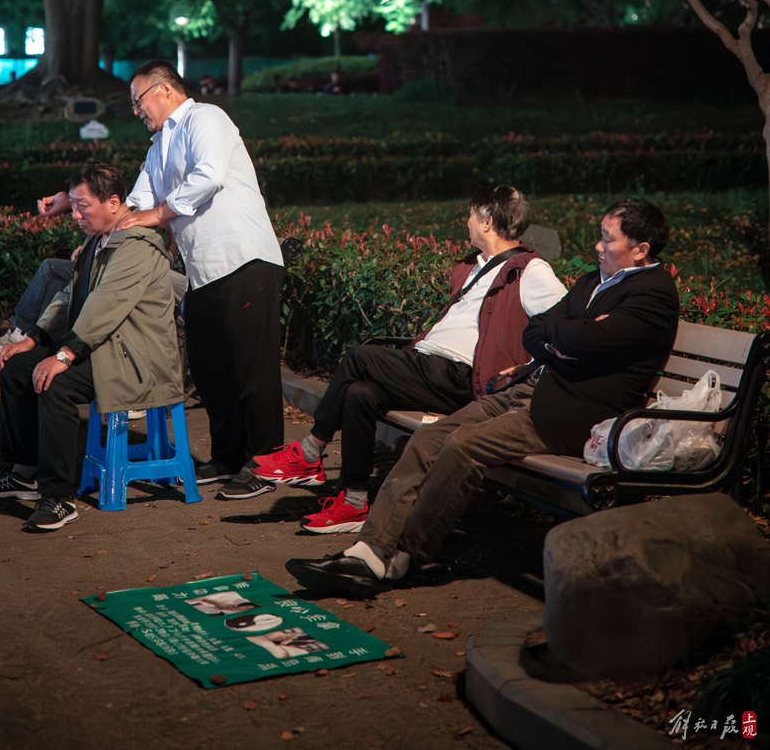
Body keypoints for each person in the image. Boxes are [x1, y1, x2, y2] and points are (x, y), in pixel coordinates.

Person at [285, 198, 679, 596]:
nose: (597, 246)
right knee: (429, 439)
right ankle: (370, 549)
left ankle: (409, 552)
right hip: (528, 387)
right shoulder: (593, 281)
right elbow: (539, 330)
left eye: (607, 239)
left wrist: (566, 336)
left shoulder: (653, 295)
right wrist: (565, 339)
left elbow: (586, 339)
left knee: (463, 445)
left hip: (567, 414)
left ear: (641, 248)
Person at [251, 184, 566, 534]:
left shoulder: (531, 271)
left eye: (471, 214)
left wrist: (528, 368)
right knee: (359, 394)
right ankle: (354, 502)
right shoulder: (474, 267)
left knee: (358, 358)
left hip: (463, 378)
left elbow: (565, 331)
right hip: (430, 368)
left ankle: (311, 452)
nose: (466, 220)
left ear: (488, 221)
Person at [38, 59, 286, 501]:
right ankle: (228, 458)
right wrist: (83, 210)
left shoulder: (206, 117)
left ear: (164, 90)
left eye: (138, 100)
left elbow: (207, 177)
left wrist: (157, 214)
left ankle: (267, 463)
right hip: (202, 271)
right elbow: (132, 205)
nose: (136, 111)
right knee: (212, 372)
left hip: (244, 259)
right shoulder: (158, 148)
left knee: (252, 370)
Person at [0, 161, 183, 532]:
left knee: (54, 381)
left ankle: (58, 497)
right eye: (72, 205)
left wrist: (64, 354)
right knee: (17, 366)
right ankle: (23, 472)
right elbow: (71, 293)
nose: (74, 215)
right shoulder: (97, 237)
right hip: (104, 348)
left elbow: (107, 304)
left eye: (81, 205)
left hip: (135, 359)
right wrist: (33, 339)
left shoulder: (137, 244)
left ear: (115, 202)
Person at [0, 257, 75, 359]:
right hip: (89, 267)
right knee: (55, 284)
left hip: (92, 273)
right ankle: (36, 348)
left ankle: (21, 332)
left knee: (48, 266)